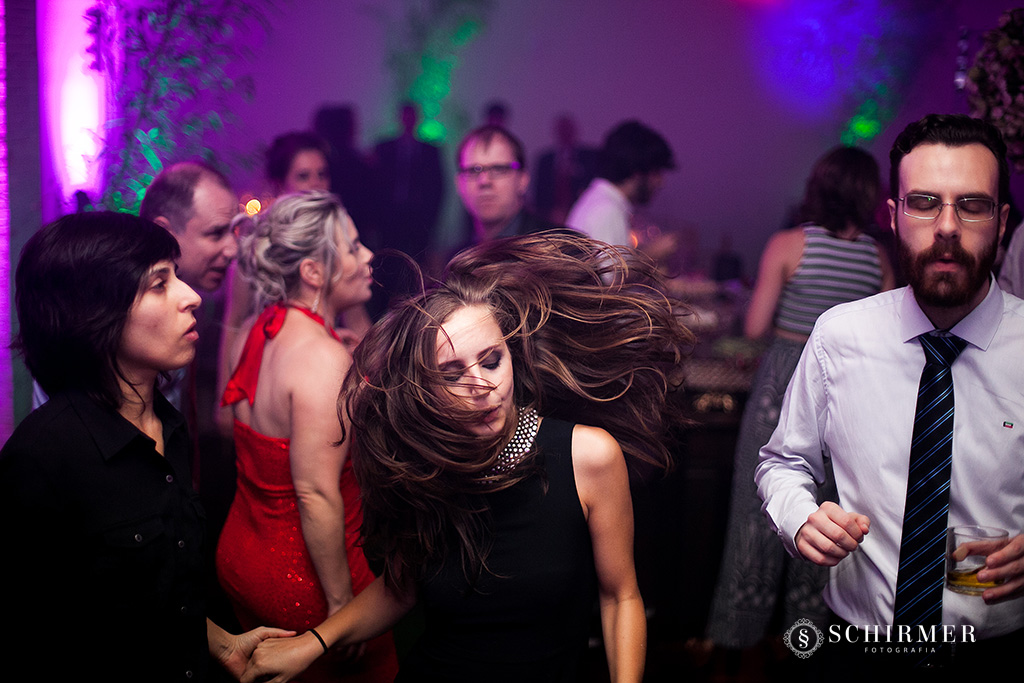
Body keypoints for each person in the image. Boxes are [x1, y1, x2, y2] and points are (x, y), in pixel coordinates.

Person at [239, 232, 696, 683]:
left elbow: (621, 598)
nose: (481, 386)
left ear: (513, 355)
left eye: (492, 361)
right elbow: (403, 588)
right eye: (453, 374)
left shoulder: (588, 456)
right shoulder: (429, 468)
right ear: (426, 390)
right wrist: (311, 643)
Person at [756, 114, 1024, 674]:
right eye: (924, 202)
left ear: (1001, 224)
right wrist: (800, 515)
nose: (947, 226)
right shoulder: (840, 335)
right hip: (855, 647)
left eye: (971, 205)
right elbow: (782, 462)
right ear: (894, 216)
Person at [0, 212, 292, 682]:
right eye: (159, 283)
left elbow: (148, 590)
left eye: (176, 275)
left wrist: (222, 643)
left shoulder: (168, 426)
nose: (192, 296)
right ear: (95, 310)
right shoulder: (43, 458)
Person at [704, 145, 895, 657]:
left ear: (818, 187)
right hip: (849, 392)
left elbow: (754, 326)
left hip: (785, 378)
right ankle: (804, 646)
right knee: (827, 519)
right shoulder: (878, 257)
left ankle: (736, 640)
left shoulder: (789, 245)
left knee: (756, 512)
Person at [216, 192, 398, 683]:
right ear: (314, 272)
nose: (367, 258)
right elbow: (315, 493)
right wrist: (341, 611)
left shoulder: (261, 327)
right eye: (354, 247)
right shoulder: (321, 358)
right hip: (310, 576)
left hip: (243, 553)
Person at [566, 120, 675, 250]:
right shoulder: (607, 210)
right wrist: (651, 256)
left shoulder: (602, 200)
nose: (660, 182)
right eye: (656, 172)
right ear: (638, 172)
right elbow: (612, 270)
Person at [454, 124, 554, 250]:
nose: (484, 181)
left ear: (523, 180)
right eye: (473, 171)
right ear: (459, 184)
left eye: (498, 169)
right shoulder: (456, 260)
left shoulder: (559, 250)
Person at [534, 114, 598, 225]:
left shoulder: (589, 157)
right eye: (561, 130)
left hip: (581, 211)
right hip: (550, 216)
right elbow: (539, 192)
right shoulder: (545, 159)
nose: (565, 133)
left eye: (568, 130)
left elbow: (593, 184)